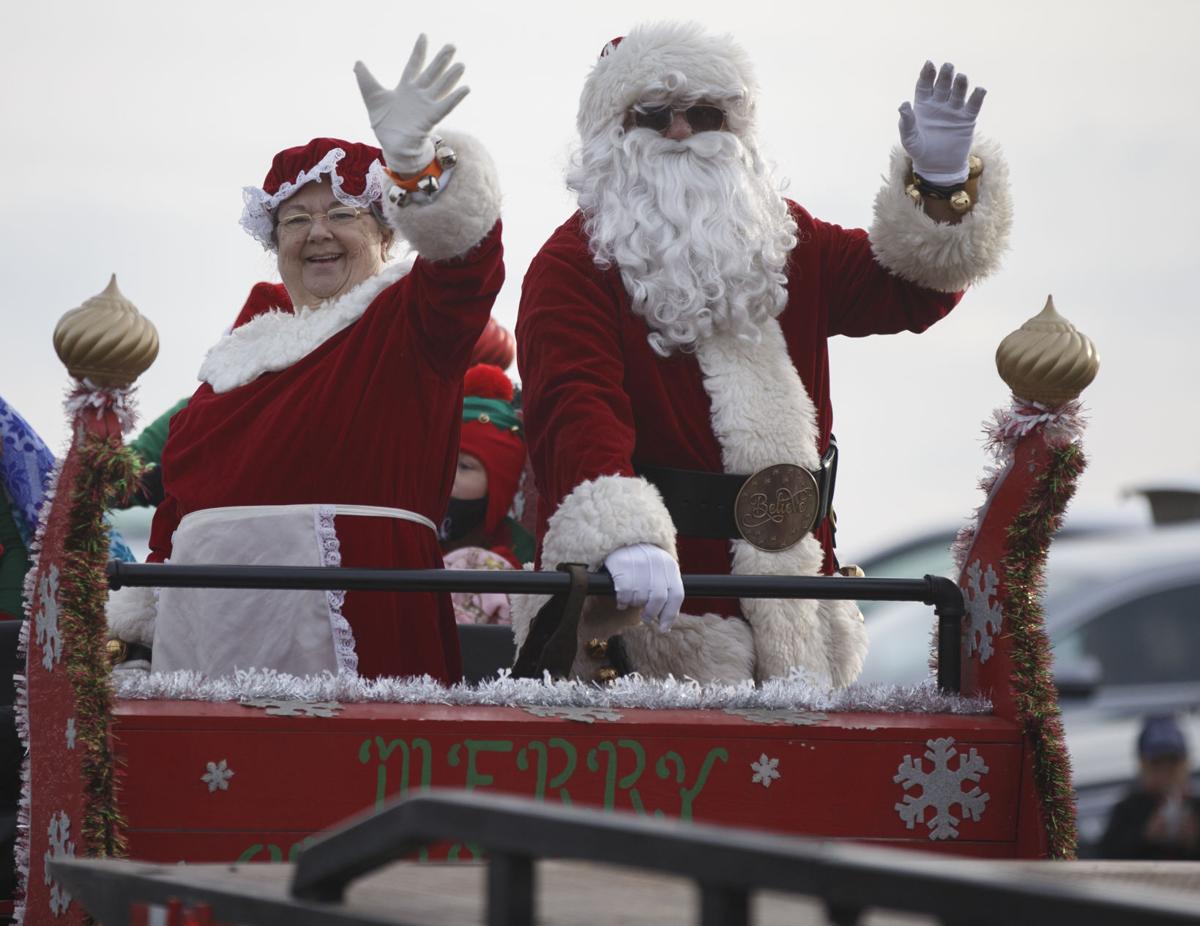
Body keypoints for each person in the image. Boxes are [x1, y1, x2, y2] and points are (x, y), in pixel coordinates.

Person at [514, 23, 1012, 685]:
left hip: (799, 597)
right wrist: (620, 537)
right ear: (612, 133)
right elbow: (574, 406)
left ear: (738, 126)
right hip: (658, 607)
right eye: (656, 116)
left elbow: (907, 291)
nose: (683, 132)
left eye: (707, 114)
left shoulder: (784, 237)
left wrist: (941, 185)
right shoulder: (573, 265)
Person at [106, 35, 503, 682]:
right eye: (294, 220)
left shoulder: (404, 321)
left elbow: (465, 269)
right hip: (212, 640)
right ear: (275, 243)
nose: (317, 232)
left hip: (363, 621)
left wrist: (415, 170)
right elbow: (176, 510)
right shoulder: (230, 365)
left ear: (385, 233)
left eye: (343, 212)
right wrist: (142, 636)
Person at [440, 364, 532, 624]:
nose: (447, 478)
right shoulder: (415, 534)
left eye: (464, 466)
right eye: (441, 464)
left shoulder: (522, 550)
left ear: (498, 484)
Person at [1099, 715, 1200, 860]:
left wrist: (1194, 841)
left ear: (1186, 764)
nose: (1165, 773)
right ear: (1142, 766)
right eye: (1157, 764)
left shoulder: (1196, 808)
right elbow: (1105, 857)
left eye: (1172, 764)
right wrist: (1146, 837)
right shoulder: (1128, 810)